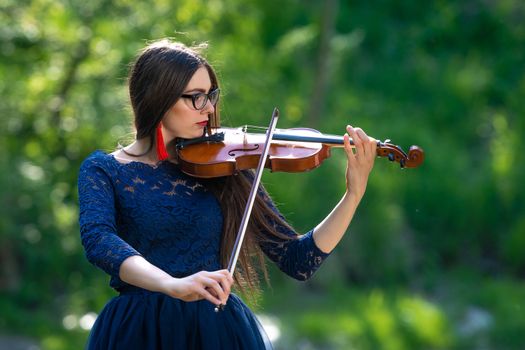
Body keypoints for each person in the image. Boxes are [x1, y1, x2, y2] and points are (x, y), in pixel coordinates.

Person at [78, 38, 376, 350]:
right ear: (158, 98)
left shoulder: (226, 166)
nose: (209, 108)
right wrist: (172, 285)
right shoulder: (103, 170)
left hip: (215, 331)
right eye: (195, 98)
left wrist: (352, 195)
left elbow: (297, 260)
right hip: (139, 332)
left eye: (211, 95)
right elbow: (99, 241)